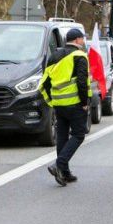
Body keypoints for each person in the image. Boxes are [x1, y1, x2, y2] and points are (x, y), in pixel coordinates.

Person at [41, 28, 91, 187]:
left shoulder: (54, 56)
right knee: (79, 135)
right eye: (82, 39)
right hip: (75, 104)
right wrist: (84, 103)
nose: (83, 42)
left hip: (59, 105)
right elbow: (82, 82)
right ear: (77, 40)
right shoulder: (80, 56)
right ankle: (59, 164)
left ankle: (65, 173)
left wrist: (52, 101)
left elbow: (45, 83)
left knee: (62, 137)